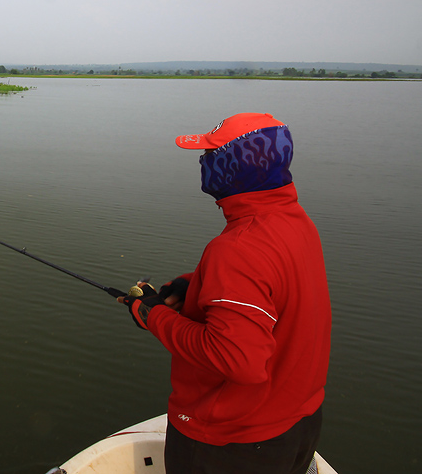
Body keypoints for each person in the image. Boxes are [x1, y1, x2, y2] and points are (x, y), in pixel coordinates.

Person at [120, 112, 331, 474]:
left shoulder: (237, 248)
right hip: (299, 424)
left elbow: (238, 362)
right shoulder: (295, 220)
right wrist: (194, 285)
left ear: (236, 165)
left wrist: (152, 316)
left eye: (210, 155)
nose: (203, 163)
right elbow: (273, 286)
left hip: (232, 445)